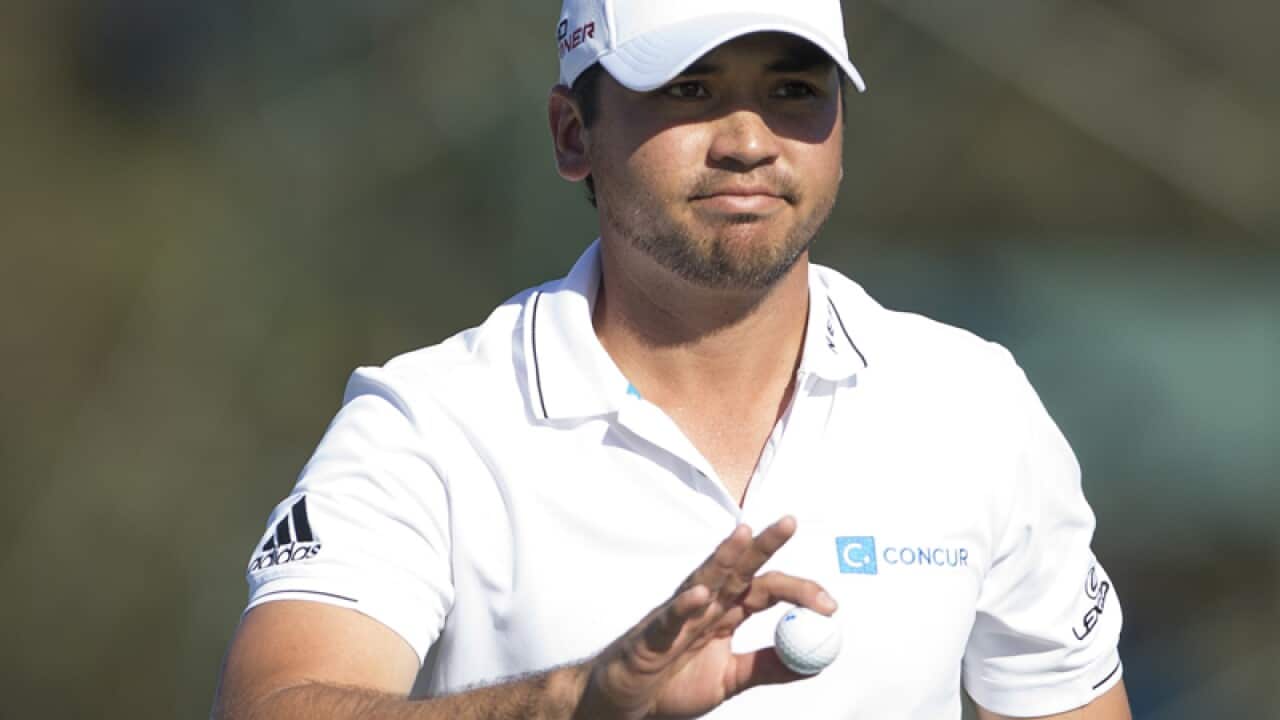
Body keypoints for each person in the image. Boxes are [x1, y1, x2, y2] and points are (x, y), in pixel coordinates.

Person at [212, 1, 1131, 718]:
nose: (748, 140)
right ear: (574, 135)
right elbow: (272, 705)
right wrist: (578, 704)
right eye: (688, 89)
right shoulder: (429, 424)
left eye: (793, 91)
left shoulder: (974, 404)